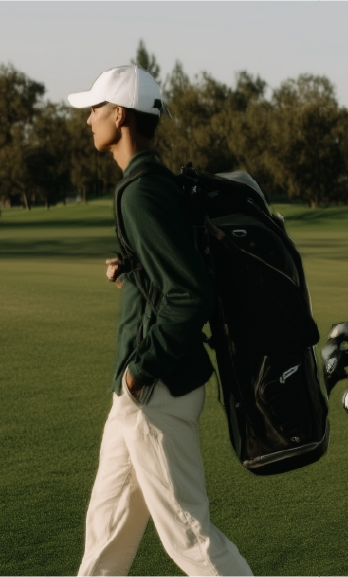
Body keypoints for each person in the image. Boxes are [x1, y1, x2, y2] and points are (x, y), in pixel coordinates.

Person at [68, 65, 254, 577]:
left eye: (96, 108)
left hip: (155, 389)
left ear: (120, 115)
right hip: (142, 392)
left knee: (190, 537)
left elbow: (190, 294)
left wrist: (140, 370)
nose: (88, 119)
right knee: (106, 533)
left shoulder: (142, 191)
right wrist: (131, 270)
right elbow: (172, 273)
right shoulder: (153, 184)